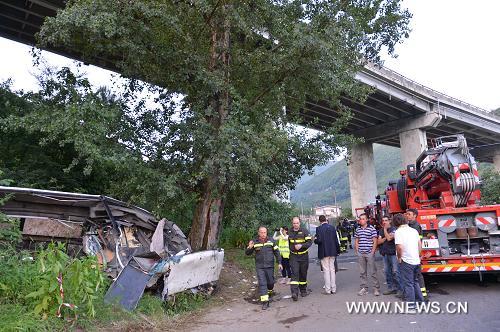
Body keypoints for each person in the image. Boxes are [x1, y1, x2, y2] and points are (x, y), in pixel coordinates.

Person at [245, 226, 282, 310]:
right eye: (261, 232)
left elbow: (277, 252)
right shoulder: (254, 241)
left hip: (270, 266)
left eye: (264, 232)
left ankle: (270, 290)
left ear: (266, 233)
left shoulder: (271, 241)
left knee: (270, 282)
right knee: (262, 283)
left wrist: (279, 262)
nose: (263, 234)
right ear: (258, 233)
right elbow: (247, 253)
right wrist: (249, 247)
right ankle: (265, 302)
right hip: (260, 267)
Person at [394, 213, 424, 313]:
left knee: (408, 284)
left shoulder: (398, 232)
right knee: (415, 281)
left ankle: (411, 306)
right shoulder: (413, 230)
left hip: (406, 261)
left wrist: (399, 258)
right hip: (416, 260)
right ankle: (420, 302)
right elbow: (419, 245)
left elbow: (399, 247)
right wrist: (418, 255)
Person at [354, 213, 380, 296]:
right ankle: (364, 288)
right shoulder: (358, 229)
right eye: (360, 219)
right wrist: (357, 250)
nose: (360, 220)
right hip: (361, 253)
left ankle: (376, 288)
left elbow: (375, 240)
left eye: (362, 219)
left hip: (369, 253)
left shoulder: (371, 229)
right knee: (362, 272)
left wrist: (372, 251)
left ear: (366, 220)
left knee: (373, 271)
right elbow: (357, 240)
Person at [314, 215, 341, 294]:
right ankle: (334, 288)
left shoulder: (318, 229)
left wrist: (315, 240)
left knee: (326, 270)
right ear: (326, 220)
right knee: (332, 270)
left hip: (324, 252)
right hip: (333, 251)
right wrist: (338, 250)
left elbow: (319, 240)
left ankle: (328, 290)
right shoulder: (332, 228)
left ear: (320, 221)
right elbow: (336, 240)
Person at [406, 208, 428, 300]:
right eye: (407, 214)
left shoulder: (416, 226)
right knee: (414, 276)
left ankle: (423, 296)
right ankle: (418, 295)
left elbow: (418, 241)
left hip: (414, 254)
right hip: (412, 254)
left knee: (417, 276)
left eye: (409, 214)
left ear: (415, 215)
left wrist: (418, 254)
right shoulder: (410, 225)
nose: (407, 215)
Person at [288, 216, 312, 301]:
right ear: (292, 223)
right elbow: (286, 242)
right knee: (294, 273)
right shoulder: (289, 232)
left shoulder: (305, 231)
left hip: (303, 256)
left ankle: (303, 290)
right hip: (293, 256)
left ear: (300, 223)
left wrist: (302, 245)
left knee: (303, 273)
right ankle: (294, 292)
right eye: (294, 223)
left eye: (297, 223)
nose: (295, 225)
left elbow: (309, 242)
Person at [377, 215, 401, 296]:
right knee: (387, 272)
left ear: (390, 221)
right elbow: (378, 242)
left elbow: (389, 239)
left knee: (396, 271)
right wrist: (385, 236)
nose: (384, 222)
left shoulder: (394, 229)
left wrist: (384, 231)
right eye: (383, 221)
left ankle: (400, 289)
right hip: (385, 254)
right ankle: (391, 288)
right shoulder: (381, 230)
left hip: (393, 254)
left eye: (386, 220)